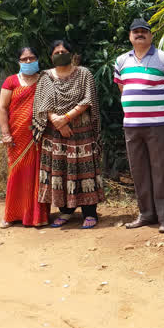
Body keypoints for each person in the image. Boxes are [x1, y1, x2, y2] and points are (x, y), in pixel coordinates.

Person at [114, 18, 164, 232]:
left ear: (151, 36)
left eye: (144, 31)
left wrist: (163, 106)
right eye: (136, 31)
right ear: (130, 36)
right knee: (139, 170)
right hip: (132, 125)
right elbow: (122, 88)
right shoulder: (121, 61)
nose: (140, 34)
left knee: (161, 169)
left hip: (157, 124)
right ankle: (146, 214)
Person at [32, 40, 105, 229]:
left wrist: (65, 118)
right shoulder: (45, 77)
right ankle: (65, 211)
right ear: (51, 57)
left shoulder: (83, 74)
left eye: (64, 51)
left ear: (71, 54)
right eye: (56, 52)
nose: (60, 54)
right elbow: (42, 102)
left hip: (81, 132)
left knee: (84, 169)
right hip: (55, 133)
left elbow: (88, 99)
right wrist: (56, 121)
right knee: (60, 170)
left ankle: (90, 213)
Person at [0, 47, 50, 228]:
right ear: (18, 61)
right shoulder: (11, 81)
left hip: (40, 134)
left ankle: (36, 217)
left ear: (37, 59)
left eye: (32, 58)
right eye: (24, 59)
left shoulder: (45, 80)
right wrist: (5, 133)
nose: (28, 62)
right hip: (17, 136)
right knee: (17, 173)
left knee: (38, 175)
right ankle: (11, 215)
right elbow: (2, 108)